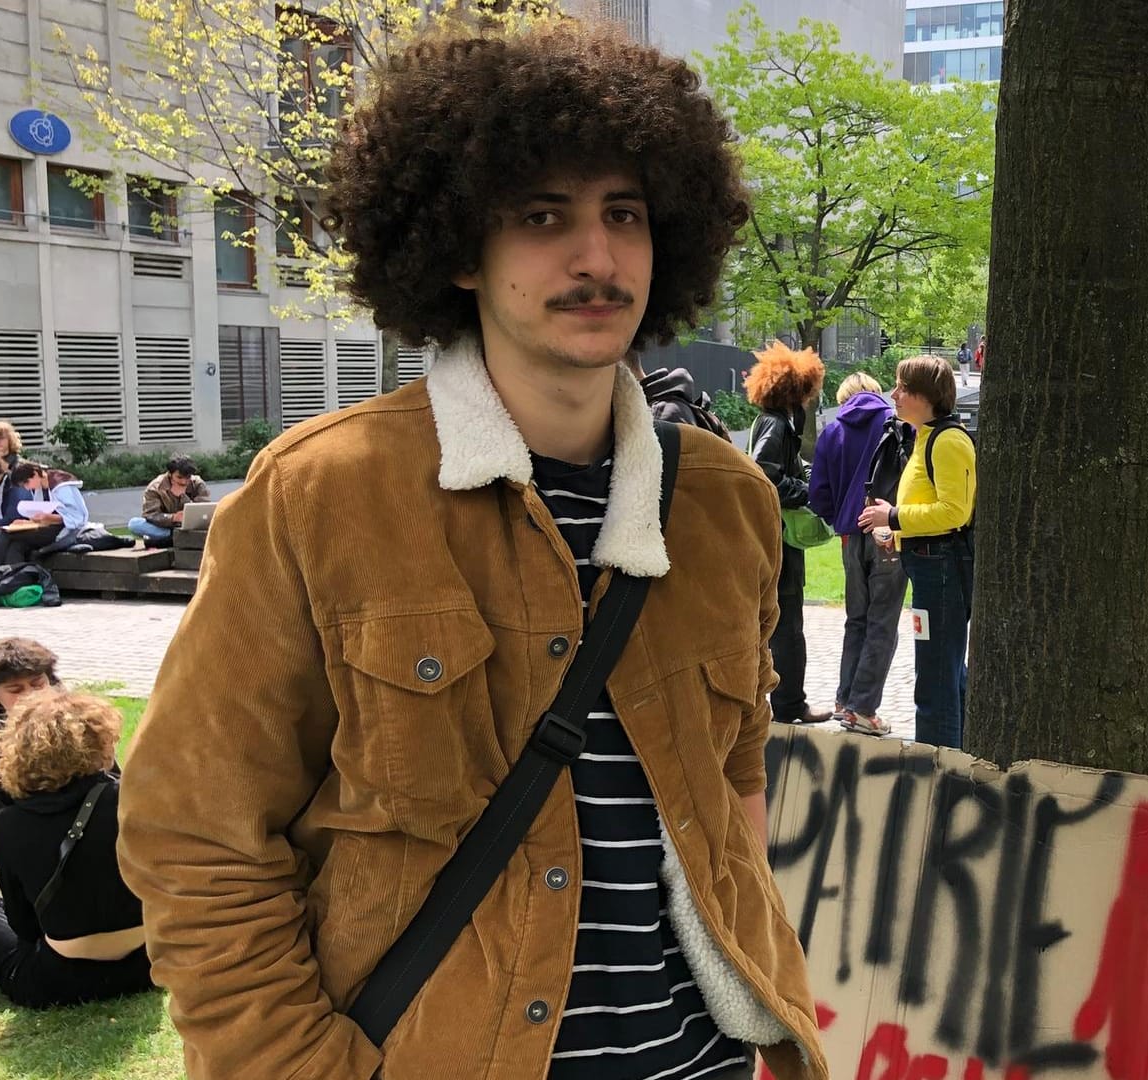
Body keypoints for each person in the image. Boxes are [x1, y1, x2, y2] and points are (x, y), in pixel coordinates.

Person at [115, 23, 824, 1080]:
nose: (596, 257)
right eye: (543, 217)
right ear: (456, 248)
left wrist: (767, 1000)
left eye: (623, 214)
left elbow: (732, 772)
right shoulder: (321, 494)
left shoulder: (727, 502)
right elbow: (196, 837)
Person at [0, 690, 151, 1009]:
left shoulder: (6, 824)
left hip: (57, 983)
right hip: (149, 964)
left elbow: (24, 927)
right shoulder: (133, 799)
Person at [857, 356, 976, 750]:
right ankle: (950, 753)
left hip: (939, 568)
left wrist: (892, 516)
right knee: (943, 669)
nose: (894, 394)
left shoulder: (948, 441)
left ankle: (937, 762)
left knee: (937, 677)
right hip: (927, 563)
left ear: (925, 395)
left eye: (902, 388)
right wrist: (898, 532)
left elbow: (954, 512)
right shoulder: (926, 436)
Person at [807, 372, 906, 737]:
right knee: (883, 621)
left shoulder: (833, 431)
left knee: (857, 619)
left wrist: (841, 519)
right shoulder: (894, 422)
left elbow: (818, 492)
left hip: (851, 534)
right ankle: (863, 708)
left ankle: (844, 700)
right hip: (886, 529)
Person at [746, 342, 831, 726]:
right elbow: (766, 476)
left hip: (767, 537)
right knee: (787, 622)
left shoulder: (770, 421)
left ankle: (779, 700)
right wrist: (808, 493)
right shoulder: (779, 425)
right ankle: (791, 704)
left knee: (776, 620)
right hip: (778, 539)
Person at [0, 637, 59, 833]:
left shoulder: (79, 717)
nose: (31, 696)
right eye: (15, 690)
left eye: (37, 684)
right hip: (12, 827)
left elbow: (110, 779)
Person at [0, 462, 87, 571]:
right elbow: (40, 514)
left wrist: (48, 517)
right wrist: (26, 522)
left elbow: (77, 518)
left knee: (6, 534)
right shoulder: (40, 487)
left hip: (65, 532)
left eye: (27, 483)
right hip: (46, 528)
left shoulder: (61, 486)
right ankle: (15, 581)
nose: (27, 488)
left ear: (36, 474)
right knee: (16, 546)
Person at [127, 455, 211, 549]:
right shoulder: (155, 487)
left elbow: (204, 510)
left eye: (187, 477)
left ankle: (167, 540)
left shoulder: (198, 484)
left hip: (192, 527)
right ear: (170, 474)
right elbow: (150, 515)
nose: (183, 482)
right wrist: (173, 518)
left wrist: (183, 497)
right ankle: (174, 537)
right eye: (179, 477)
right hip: (166, 528)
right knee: (134, 524)